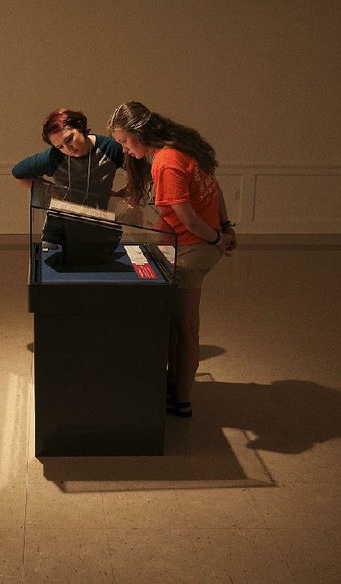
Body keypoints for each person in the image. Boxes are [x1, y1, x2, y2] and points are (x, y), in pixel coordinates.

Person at [107, 101, 236, 417]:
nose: (124, 148)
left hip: (193, 247)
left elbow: (189, 220)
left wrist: (219, 239)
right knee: (177, 324)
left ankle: (181, 400)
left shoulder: (165, 162)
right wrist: (225, 227)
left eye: (125, 141)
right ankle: (173, 387)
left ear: (140, 133)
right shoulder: (183, 145)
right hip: (200, 241)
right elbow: (214, 191)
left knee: (185, 326)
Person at [12, 108, 149, 211]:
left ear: (80, 127)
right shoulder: (54, 156)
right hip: (64, 221)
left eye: (69, 139)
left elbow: (146, 173)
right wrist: (52, 190)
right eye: (60, 146)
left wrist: (120, 196)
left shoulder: (110, 148)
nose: (68, 149)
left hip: (102, 220)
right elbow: (19, 173)